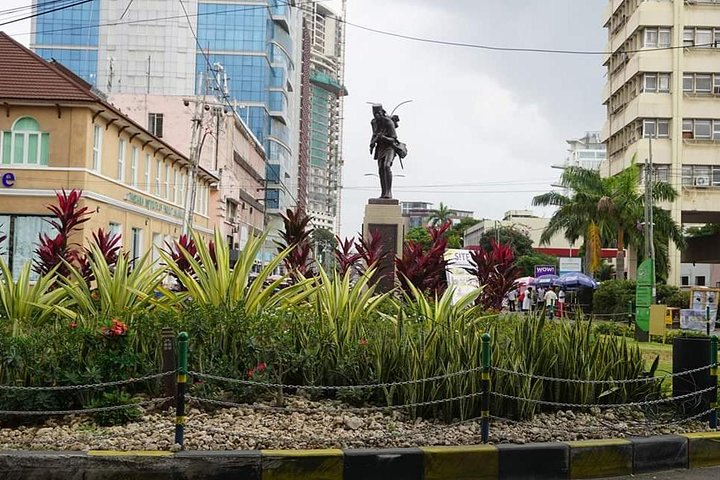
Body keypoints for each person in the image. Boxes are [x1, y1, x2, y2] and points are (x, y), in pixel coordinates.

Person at [369, 104, 407, 199]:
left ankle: (389, 192)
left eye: (378, 113)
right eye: (375, 114)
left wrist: (383, 137)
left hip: (390, 147)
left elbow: (393, 139)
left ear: (382, 113)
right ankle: (383, 193)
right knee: (381, 169)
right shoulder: (374, 122)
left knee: (386, 166)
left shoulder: (388, 122)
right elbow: (374, 134)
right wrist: (372, 144)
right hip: (380, 147)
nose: (377, 115)